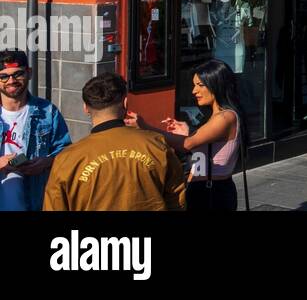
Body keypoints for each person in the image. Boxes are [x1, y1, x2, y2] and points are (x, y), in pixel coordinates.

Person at [43, 73, 186, 211]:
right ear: (125, 102)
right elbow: (178, 201)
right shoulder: (156, 145)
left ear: (86, 108)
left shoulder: (67, 159)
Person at [131, 60, 242, 211]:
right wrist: (187, 132)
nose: (194, 91)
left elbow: (188, 144)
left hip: (212, 193)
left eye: (200, 85)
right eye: (194, 85)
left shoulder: (225, 117)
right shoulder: (215, 116)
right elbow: (200, 148)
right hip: (202, 189)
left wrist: (146, 127)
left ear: (216, 84)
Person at [0, 50, 70, 212]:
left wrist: (47, 162)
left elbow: (66, 153)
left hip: (35, 202)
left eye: (18, 74)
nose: (11, 81)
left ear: (29, 73)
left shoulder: (47, 111)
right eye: (4, 76)